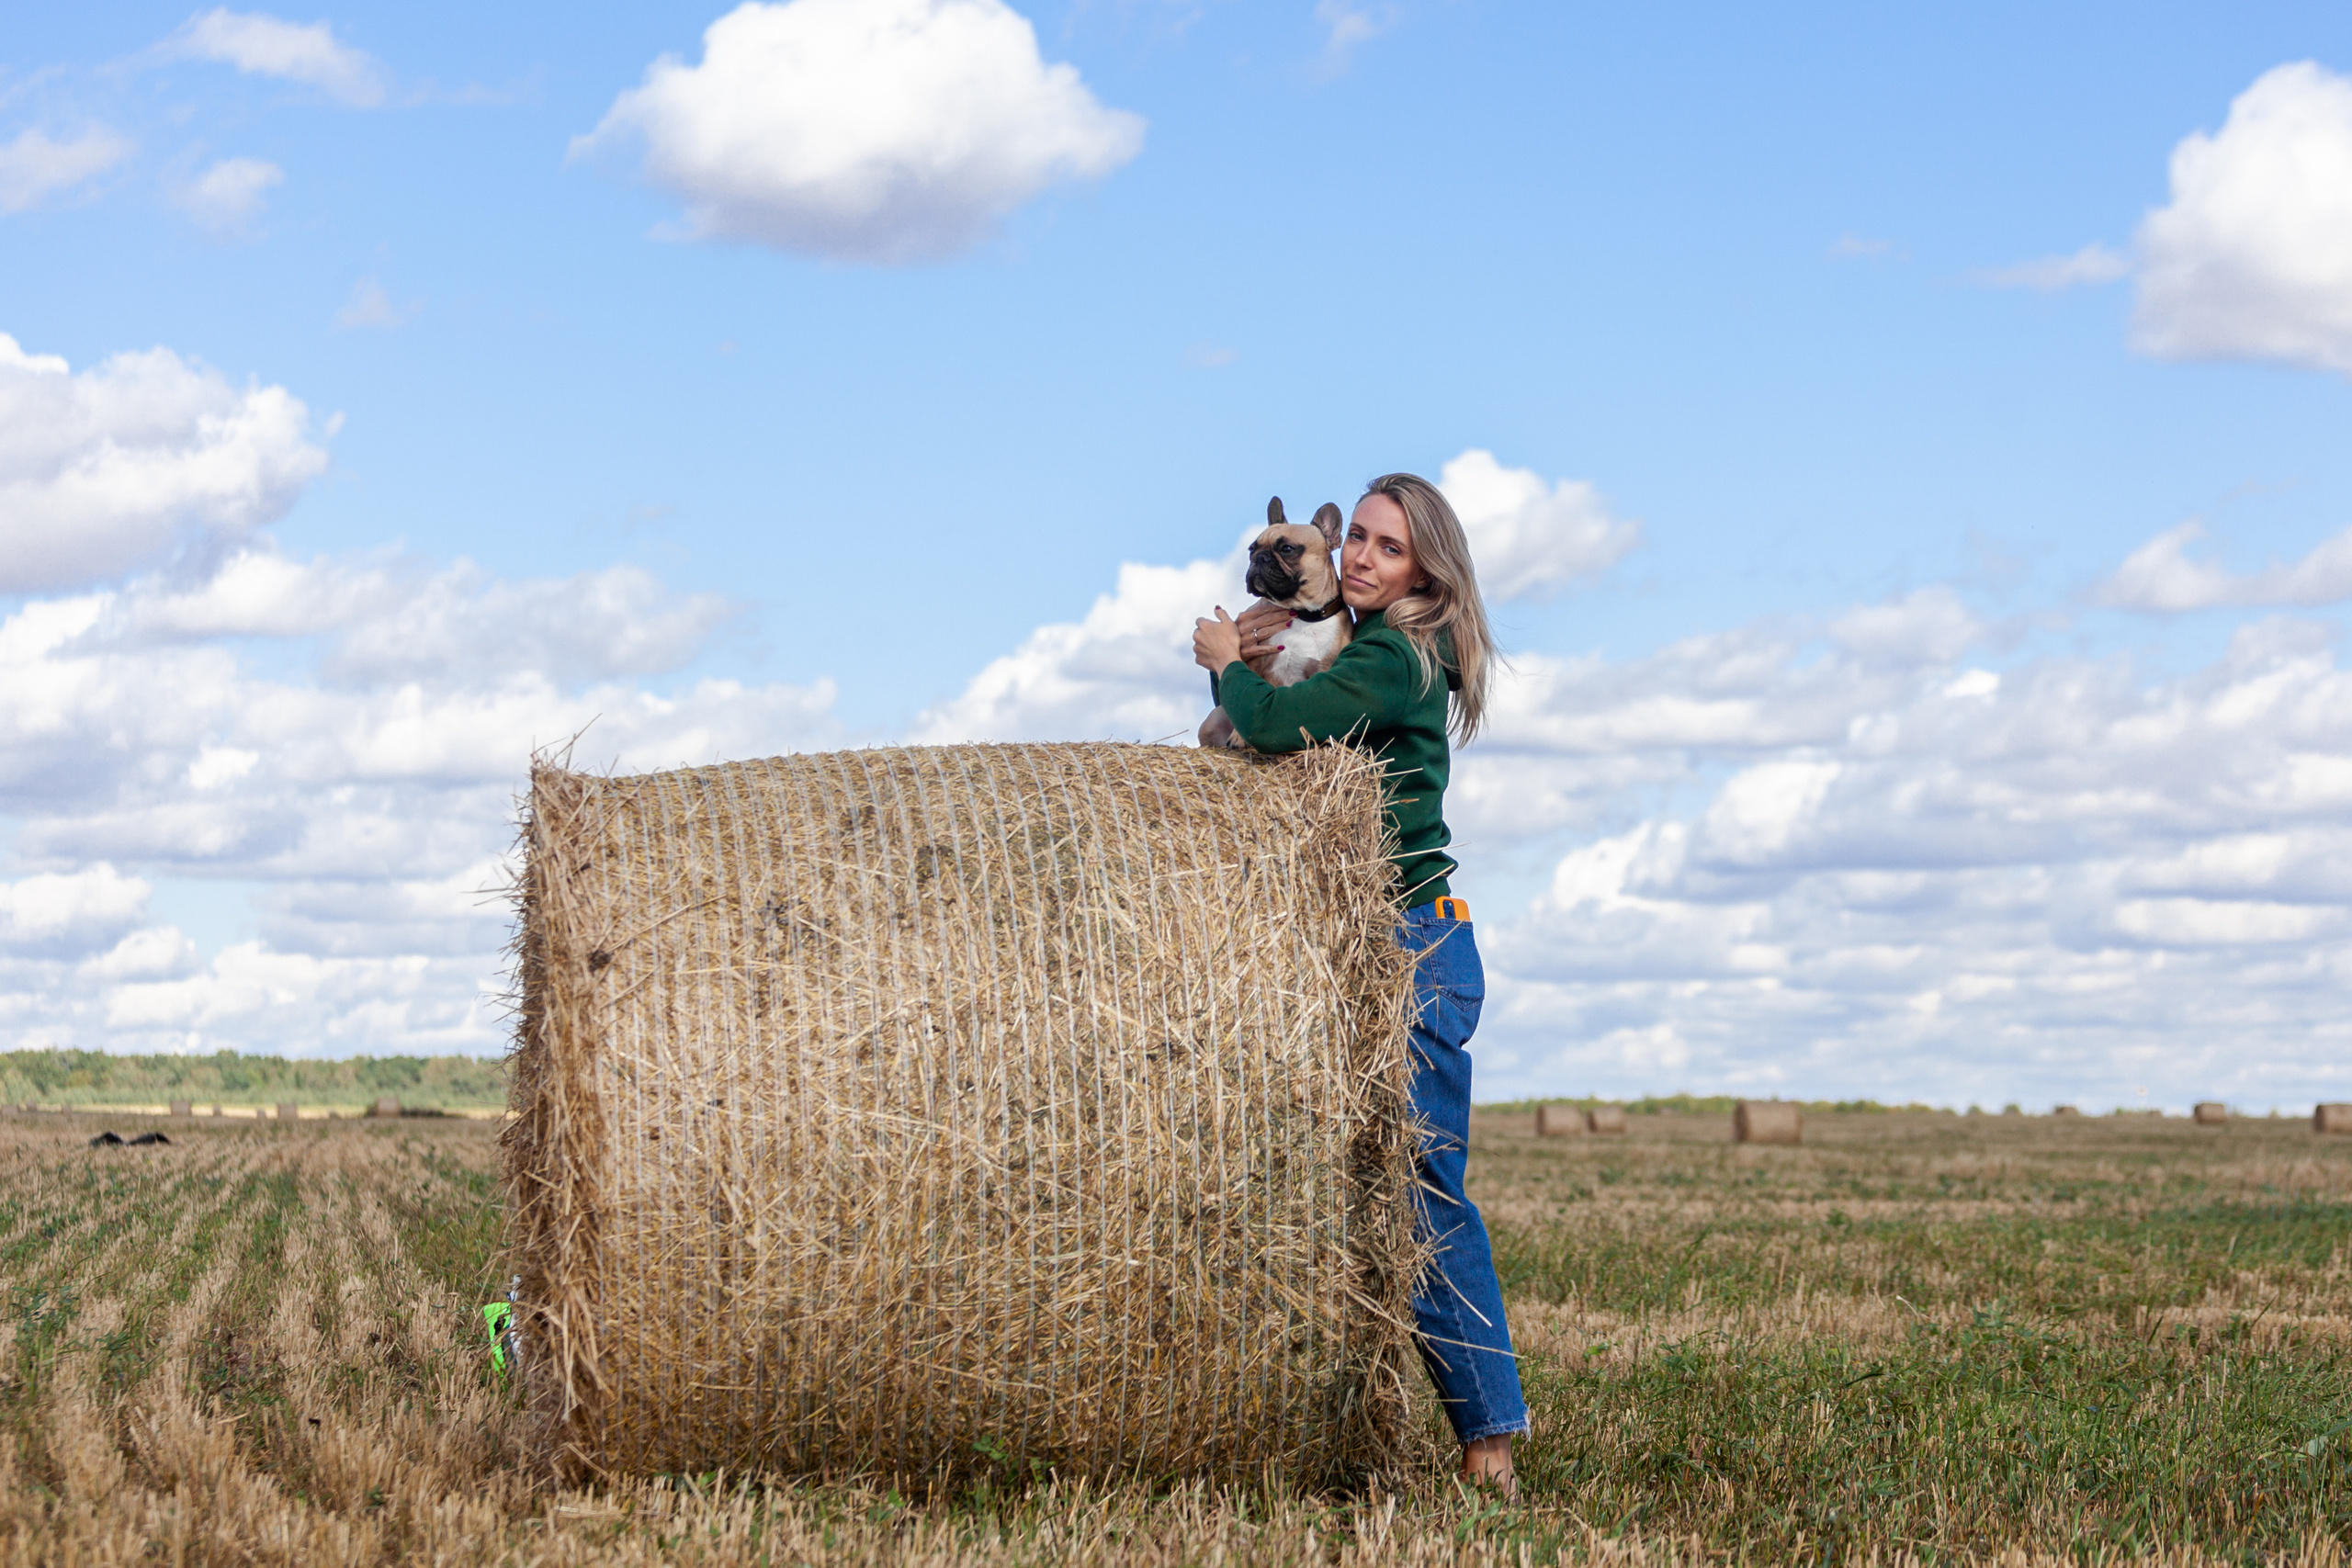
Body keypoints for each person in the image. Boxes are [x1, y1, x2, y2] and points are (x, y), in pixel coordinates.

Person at [1191, 472, 1524, 1494]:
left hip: (1415, 949)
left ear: (1427, 569)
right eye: (1359, 541)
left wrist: (1223, 663)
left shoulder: (1395, 657)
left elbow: (1276, 727)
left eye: (1389, 547)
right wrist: (1252, 662)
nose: (1363, 559)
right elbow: (1270, 736)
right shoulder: (1365, 643)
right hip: (1362, 944)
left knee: (1423, 1196)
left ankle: (1490, 1444)